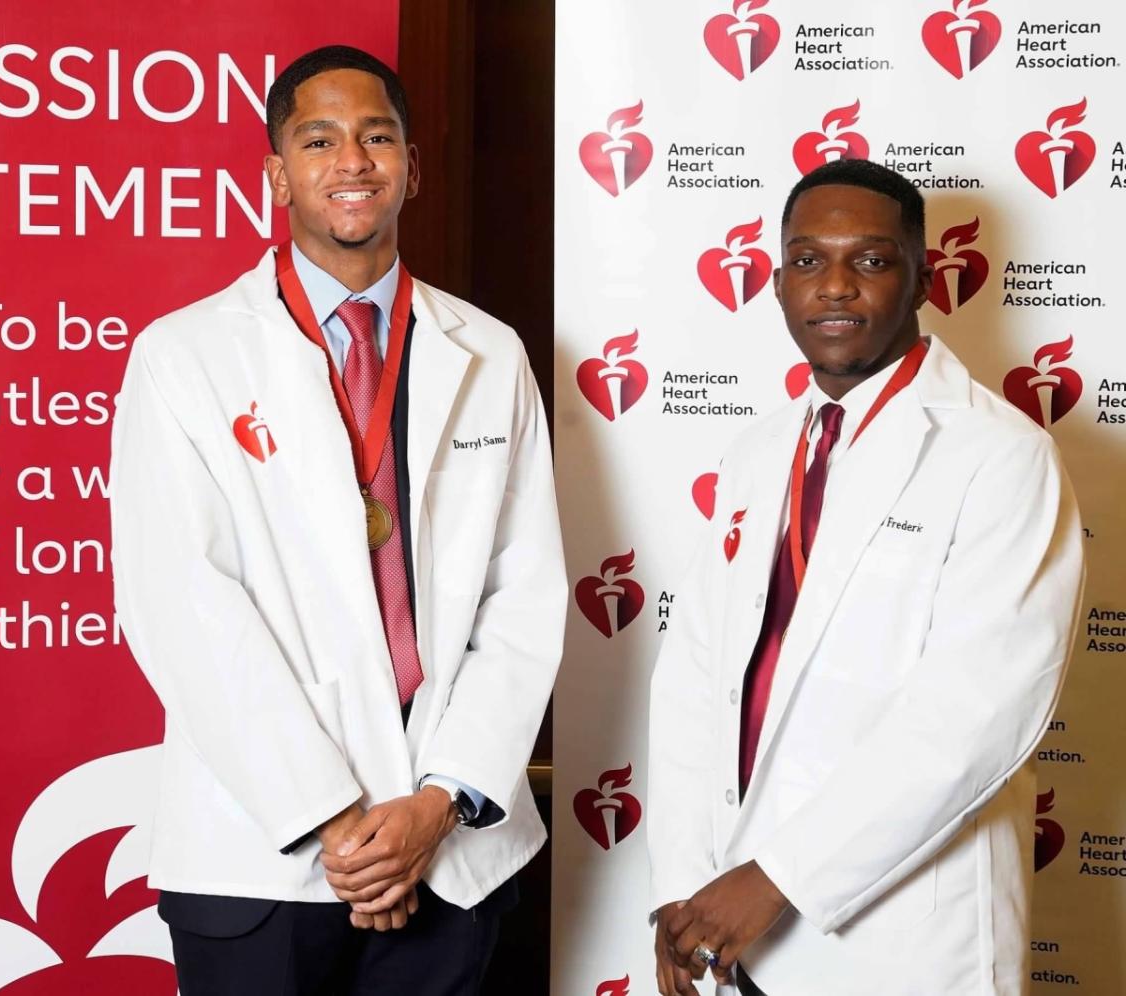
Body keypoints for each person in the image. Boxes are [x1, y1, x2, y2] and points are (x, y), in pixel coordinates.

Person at [109, 45, 566, 995]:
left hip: (450, 854)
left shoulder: (490, 350)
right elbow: (182, 606)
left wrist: (436, 805)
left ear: (412, 167)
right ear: (278, 174)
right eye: (319, 139)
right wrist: (341, 825)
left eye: (377, 136)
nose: (352, 160)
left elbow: (524, 598)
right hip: (261, 860)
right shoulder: (184, 357)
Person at [647, 159, 1084, 996]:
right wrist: (683, 889)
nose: (835, 287)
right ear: (776, 286)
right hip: (730, 933)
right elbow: (695, 684)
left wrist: (773, 880)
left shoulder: (1002, 456)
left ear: (922, 278)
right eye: (808, 261)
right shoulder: (760, 453)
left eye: (871, 261)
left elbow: (976, 717)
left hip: (902, 942)